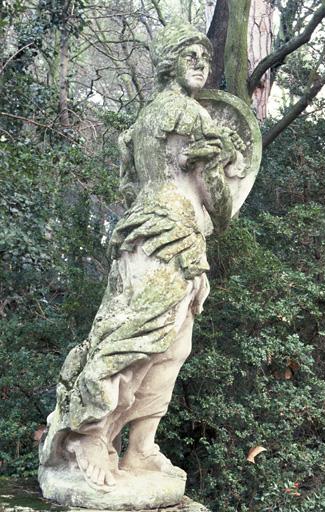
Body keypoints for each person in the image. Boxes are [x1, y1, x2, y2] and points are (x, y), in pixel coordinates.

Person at [39, 21, 237, 491]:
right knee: (140, 336)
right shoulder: (191, 117)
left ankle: (141, 446)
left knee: (167, 343)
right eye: (190, 54)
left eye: (205, 58)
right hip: (170, 237)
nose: (200, 63)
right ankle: (89, 433)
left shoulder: (139, 125)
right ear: (168, 62)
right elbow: (219, 205)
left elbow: (133, 189)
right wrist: (227, 159)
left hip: (148, 236)